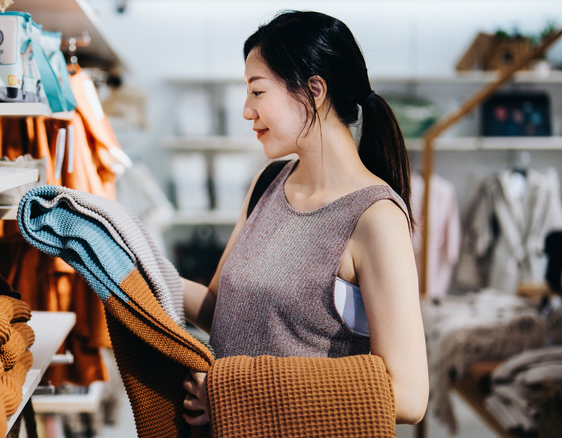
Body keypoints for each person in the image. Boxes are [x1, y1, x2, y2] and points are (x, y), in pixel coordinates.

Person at [180, 10, 429, 426]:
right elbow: (220, 308)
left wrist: (235, 393)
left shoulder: (374, 217)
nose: (246, 110)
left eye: (257, 92)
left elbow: (407, 395)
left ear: (314, 90)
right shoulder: (269, 182)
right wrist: (121, 259)